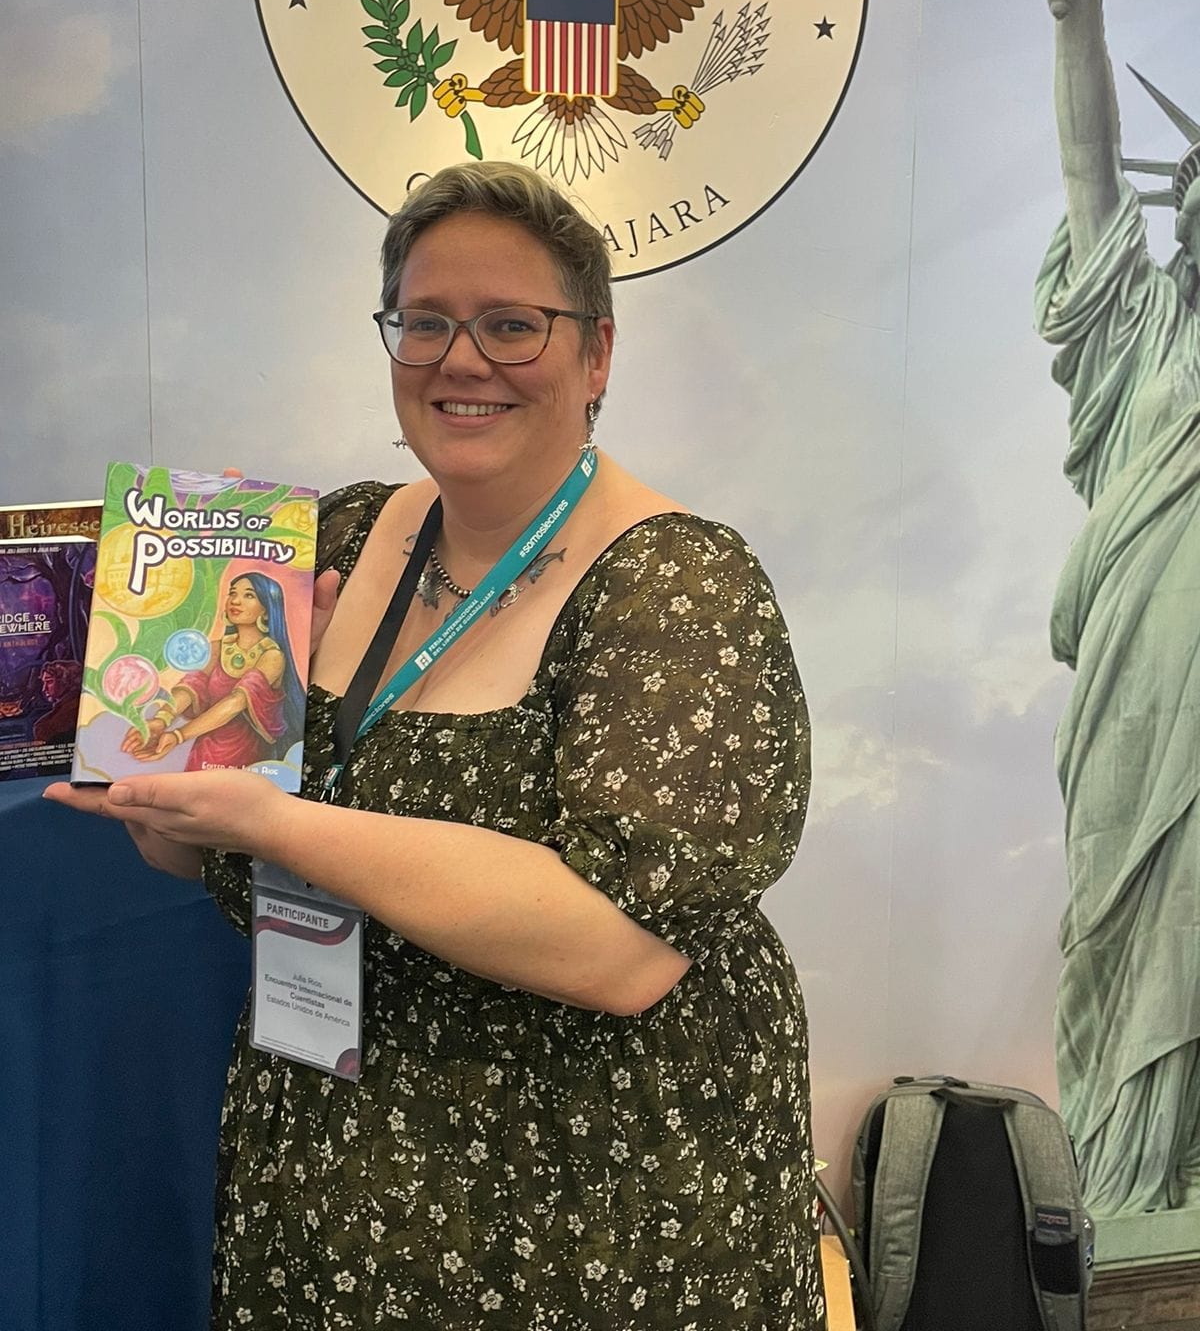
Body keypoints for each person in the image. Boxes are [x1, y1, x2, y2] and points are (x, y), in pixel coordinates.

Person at [46, 161, 826, 1328]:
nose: (463, 360)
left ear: (596, 353)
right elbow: (209, 859)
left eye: (513, 324)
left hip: (590, 1215)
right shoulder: (342, 536)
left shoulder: (679, 587)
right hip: (326, 1177)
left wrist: (276, 820)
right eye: (425, 322)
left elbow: (618, 950)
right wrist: (162, 799)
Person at [1033, 0, 1200, 1213]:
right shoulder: (1141, 341)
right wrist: (1076, 3)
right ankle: (1131, 1173)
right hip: (1138, 694)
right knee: (1115, 914)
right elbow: (1089, 155)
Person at [120, 572, 306, 771]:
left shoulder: (272, 656)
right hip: (205, 749)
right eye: (232, 593)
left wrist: (178, 735)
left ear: (267, 611)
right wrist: (160, 720)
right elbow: (190, 687)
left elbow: (236, 702)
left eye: (249, 595)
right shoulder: (217, 648)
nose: (235, 601)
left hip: (248, 757)